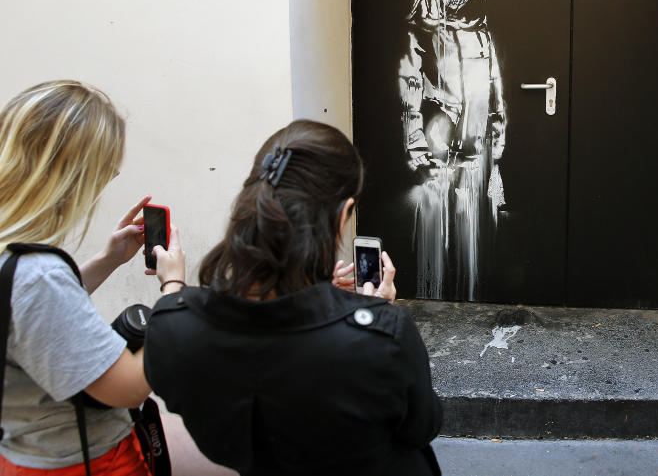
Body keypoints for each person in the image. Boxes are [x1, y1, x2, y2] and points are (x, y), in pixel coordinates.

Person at [144, 120, 443, 476]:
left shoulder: (172, 327)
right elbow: (421, 425)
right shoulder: (383, 335)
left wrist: (172, 283)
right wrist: (372, 314)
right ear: (344, 215)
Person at [0, 81, 186, 475]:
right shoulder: (40, 277)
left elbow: (19, 309)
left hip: (24, 453)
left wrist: (108, 260)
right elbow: (127, 388)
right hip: (84, 462)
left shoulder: (15, 257)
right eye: (104, 175)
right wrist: (174, 292)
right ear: (74, 176)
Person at [399, 0, 507, 301]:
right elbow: (409, 97)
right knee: (435, 247)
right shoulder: (420, 36)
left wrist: (498, 152)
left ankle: (472, 300)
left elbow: (496, 97)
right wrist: (419, 155)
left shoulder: (482, 36)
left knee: (474, 246)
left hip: (477, 161)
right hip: (436, 163)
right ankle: (434, 300)